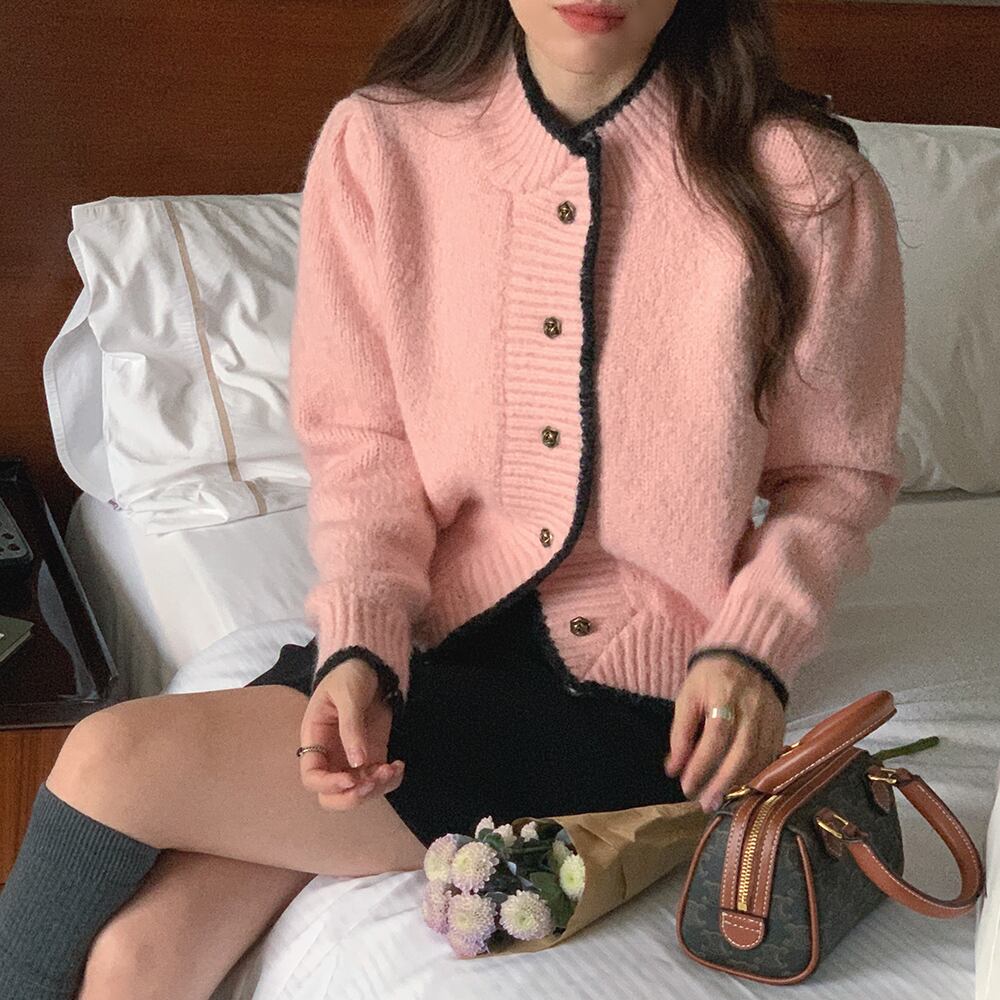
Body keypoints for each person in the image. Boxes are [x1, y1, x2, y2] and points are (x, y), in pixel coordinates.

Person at [0, 0, 906, 996]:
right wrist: (359, 640)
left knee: (112, 758)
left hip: (639, 697)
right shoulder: (384, 144)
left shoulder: (803, 183)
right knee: (141, 957)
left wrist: (753, 646)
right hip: (421, 646)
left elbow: (836, 476)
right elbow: (364, 445)